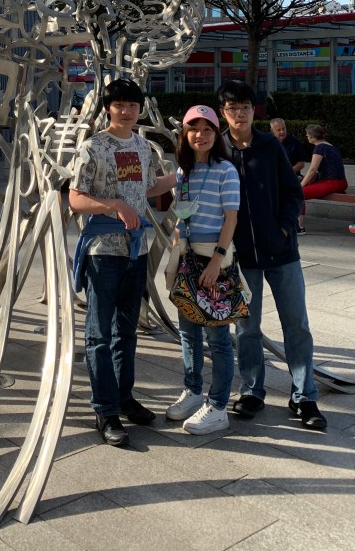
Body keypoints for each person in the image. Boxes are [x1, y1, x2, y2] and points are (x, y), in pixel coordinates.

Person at [70, 78, 176, 447]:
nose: (127, 111)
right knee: (99, 334)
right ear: (108, 108)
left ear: (140, 109)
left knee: (126, 332)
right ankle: (105, 409)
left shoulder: (143, 147)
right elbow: (76, 199)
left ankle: (124, 398)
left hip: (137, 251)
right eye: (120, 104)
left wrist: (180, 176)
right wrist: (113, 205)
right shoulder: (93, 147)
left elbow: (147, 188)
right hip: (103, 252)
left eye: (133, 105)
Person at [217, 80, 327, 431]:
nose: (239, 114)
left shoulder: (270, 145)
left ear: (254, 110)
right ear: (223, 112)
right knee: (247, 328)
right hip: (241, 256)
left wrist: (283, 228)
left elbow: (294, 193)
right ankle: (252, 390)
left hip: (281, 252)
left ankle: (304, 395)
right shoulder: (218, 148)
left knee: (296, 325)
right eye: (232, 108)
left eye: (245, 107)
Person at [165, 105, 240, 435]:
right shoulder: (183, 171)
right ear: (185, 134)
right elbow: (181, 218)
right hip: (186, 257)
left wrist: (216, 262)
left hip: (214, 258)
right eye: (193, 129)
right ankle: (193, 392)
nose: (200, 135)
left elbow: (231, 219)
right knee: (188, 332)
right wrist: (175, 261)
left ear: (216, 134)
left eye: (207, 129)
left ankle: (219, 406)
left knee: (218, 337)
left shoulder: (226, 170)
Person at [300, 125, 348, 218]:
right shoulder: (330, 146)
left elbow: (313, 169)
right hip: (341, 182)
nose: (306, 136)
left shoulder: (320, 148)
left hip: (332, 183)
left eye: (307, 135)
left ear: (313, 137)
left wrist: (301, 185)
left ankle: (298, 224)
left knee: (298, 193)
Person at [270, 118, 308, 233]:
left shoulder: (293, 142)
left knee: (296, 192)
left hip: (291, 176)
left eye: (283, 129)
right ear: (272, 131)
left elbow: (301, 163)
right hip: (271, 177)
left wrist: (286, 172)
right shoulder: (267, 142)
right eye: (278, 130)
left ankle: (297, 225)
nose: (282, 132)